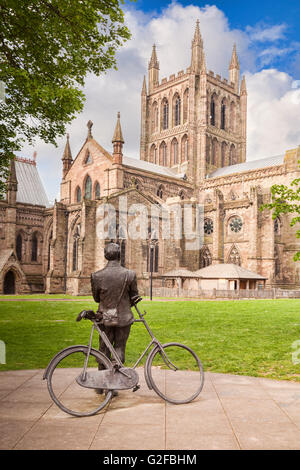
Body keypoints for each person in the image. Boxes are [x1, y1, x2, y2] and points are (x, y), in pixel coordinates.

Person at [91, 242, 139, 395]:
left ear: (106, 256)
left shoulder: (96, 276)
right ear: (119, 255)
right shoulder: (130, 274)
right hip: (123, 317)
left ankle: (100, 384)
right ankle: (112, 387)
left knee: (103, 349)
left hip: (105, 317)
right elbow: (134, 296)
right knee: (119, 348)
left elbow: (96, 299)